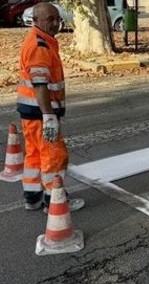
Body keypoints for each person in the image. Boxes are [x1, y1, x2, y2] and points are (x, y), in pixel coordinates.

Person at [17, 2, 82, 213]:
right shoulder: (40, 47)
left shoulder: (40, 40)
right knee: (54, 157)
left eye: (58, 19)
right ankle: (53, 201)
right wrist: (49, 116)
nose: (56, 23)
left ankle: (32, 198)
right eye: (50, 19)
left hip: (30, 112)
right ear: (35, 21)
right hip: (41, 112)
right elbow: (40, 85)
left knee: (34, 156)